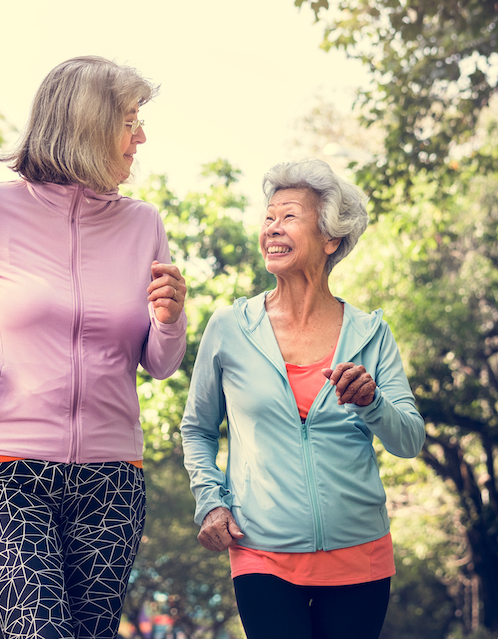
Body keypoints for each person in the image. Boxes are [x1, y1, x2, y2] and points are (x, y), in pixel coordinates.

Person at [0, 56, 188, 639]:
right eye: (129, 121)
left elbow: (159, 364)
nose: (142, 137)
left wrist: (170, 318)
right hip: (5, 466)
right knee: (41, 631)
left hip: (111, 476)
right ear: (87, 124)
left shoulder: (143, 224)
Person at [180, 158, 424, 639]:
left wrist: (372, 402)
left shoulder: (370, 334)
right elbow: (198, 429)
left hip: (361, 553)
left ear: (331, 238)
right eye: (268, 217)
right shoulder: (230, 328)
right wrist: (211, 501)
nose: (272, 227)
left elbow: (409, 439)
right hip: (261, 550)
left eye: (289, 216)